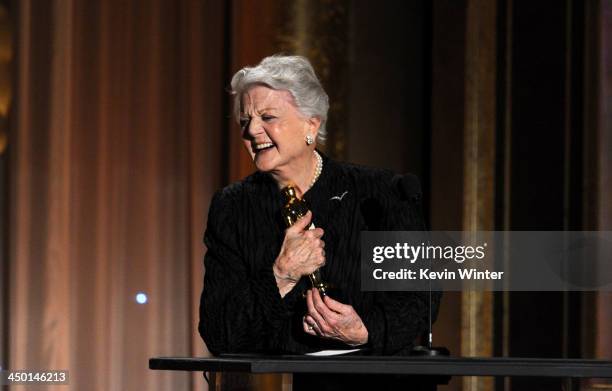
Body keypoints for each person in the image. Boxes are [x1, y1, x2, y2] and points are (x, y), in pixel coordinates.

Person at [198, 54, 440, 390]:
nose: (252, 131)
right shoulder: (232, 207)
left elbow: (422, 299)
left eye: (267, 117)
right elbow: (218, 330)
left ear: (311, 125)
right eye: (244, 121)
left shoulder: (380, 192)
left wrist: (366, 328)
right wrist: (281, 275)